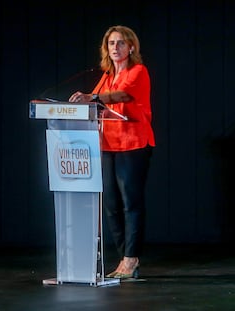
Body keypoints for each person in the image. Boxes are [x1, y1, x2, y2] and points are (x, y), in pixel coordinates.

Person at [69, 25, 155, 279]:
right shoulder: (107, 75)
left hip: (134, 144)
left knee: (131, 203)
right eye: (111, 43)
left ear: (131, 48)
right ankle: (124, 258)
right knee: (111, 205)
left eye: (120, 43)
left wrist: (91, 96)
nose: (115, 48)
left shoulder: (138, 71)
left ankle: (131, 258)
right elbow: (96, 101)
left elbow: (122, 95)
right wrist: (82, 102)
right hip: (108, 144)